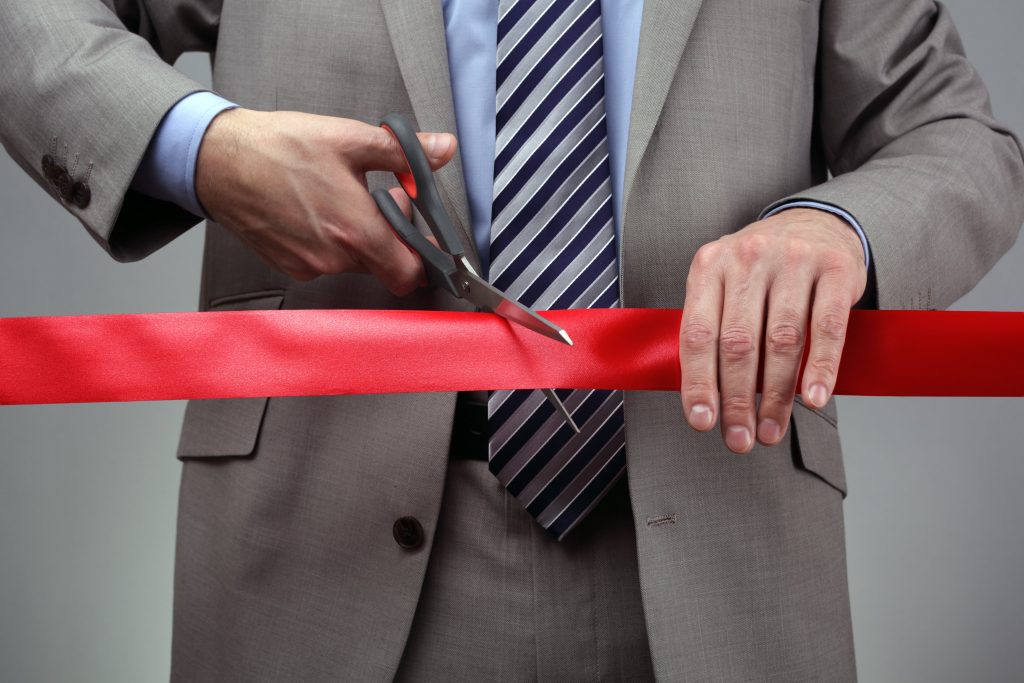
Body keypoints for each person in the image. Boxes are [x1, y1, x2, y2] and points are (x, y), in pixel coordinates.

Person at [2, 0, 1022, 679]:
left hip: (722, 544)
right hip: (316, 545)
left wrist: (837, 227)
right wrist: (203, 146)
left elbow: (956, 137)